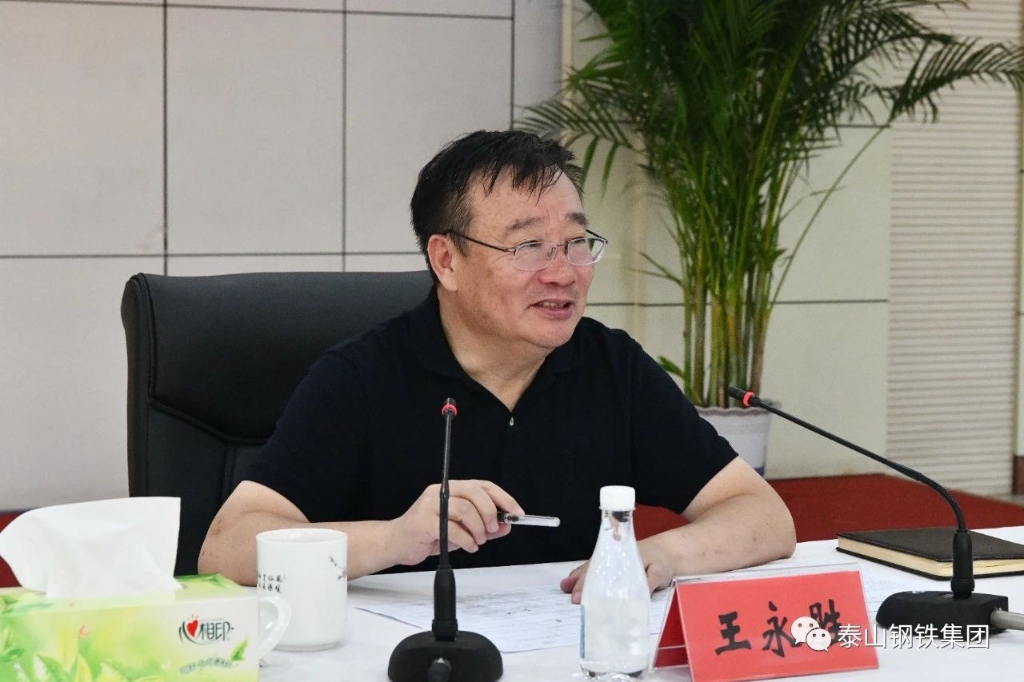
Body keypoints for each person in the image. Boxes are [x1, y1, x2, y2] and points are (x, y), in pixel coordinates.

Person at [198, 130, 795, 601]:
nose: (563, 272)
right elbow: (226, 550)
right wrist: (395, 538)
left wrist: (663, 554)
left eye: (577, 243)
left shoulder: (611, 366)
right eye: (528, 247)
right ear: (447, 261)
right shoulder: (361, 377)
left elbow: (764, 515)